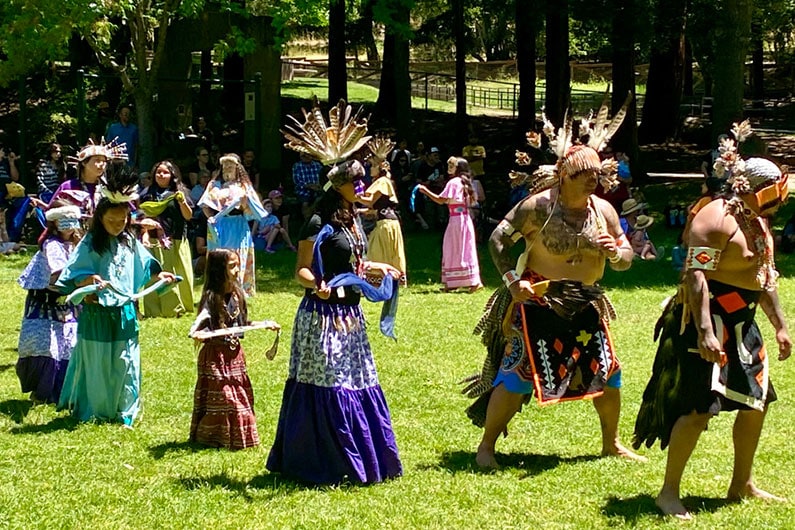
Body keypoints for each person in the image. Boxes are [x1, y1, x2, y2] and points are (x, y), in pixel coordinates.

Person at [463, 99, 643, 469]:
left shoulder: (604, 211)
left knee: (610, 373)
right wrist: (513, 282)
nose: (592, 180)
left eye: (595, 174)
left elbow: (626, 260)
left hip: (586, 303)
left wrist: (615, 253)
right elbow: (498, 239)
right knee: (516, 378)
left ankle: (611, 443)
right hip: (538, 301)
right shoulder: (538, 208)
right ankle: (486, 447)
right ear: (564, 174)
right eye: (583, 175)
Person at [633, 155, 791, 520]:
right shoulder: (715, 218)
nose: (780, 199)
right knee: (697, 408)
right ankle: (668, 493)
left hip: (742, 323)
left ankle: (742, 484)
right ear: (752, 188)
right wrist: (705, 330)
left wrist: (780, 324)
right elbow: (696, 275)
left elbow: (764, 276)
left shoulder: (757, 222)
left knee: (757, 402)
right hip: (704, 322)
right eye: (774, 191)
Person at [268, 100, 403, 485]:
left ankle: (360, 459)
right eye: (353, 182)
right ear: (336, 185)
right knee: (328, 382)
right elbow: (302, 271)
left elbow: (355, 266)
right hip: (321, 318)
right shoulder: (316, 221)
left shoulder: (353, 222)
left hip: (351, 318)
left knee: (356, 381)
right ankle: (322, 461)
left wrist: (382, 269)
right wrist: (319, 285)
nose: (360, 188)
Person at [56, 164, 176, 426]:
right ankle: (96, 409)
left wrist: (161, 277)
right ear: (100, 218)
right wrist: (88, 281)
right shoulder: (90, 243)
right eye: (111, 220)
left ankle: (124, 409)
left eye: (122, 220)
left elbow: (146, 266)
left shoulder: (130, 241)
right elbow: (73, 274)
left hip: (125, 312)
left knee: (125, 361)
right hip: (97, 313)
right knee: (98, 362)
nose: (116, 225)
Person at [188, 249, 260, 450]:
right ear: (220, 270)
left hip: (234, 355)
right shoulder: (211, 297)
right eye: (231, 266)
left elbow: (242, 323)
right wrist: (198, 332)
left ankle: (238, 439)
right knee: (225, 397)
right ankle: (213, 437)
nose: (237, 270)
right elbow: (200, 322)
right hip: (215, 356)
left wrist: (264, 324)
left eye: (237, 265)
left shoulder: (237, 295)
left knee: (238, 395)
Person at [16, 205, 82, 403]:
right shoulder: (52, 244)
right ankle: (42, 391)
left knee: (68, 345)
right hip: (45, 301)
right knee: (46, 346)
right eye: (66, 224)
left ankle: (62, 390)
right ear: (55, 224)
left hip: (67, 302)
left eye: (73, 223)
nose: (71, 229)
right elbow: (58, 271)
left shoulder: (75, 243)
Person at [198, 153, 267, 297]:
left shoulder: (244, 186)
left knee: (238, 254)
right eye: (224, 166)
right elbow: (205, 204)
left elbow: (254, 209)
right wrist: (210, 217)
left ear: (237, 167)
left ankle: (238, 289)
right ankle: (217, 287)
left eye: (230, 166)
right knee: (219, 255)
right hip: (219, 224)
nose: (227, 169)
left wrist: (244, 202)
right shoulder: (215, 185)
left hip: (238, 225)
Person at [137, 160, 195, 317]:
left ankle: (176, 309)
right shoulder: (147, 194)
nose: (161, 175)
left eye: (165, 172)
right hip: (154, 241)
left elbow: (188, 216)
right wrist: (145, 235)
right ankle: (153, 310)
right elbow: (140, 217)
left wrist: (182, 201)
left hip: (175, 239)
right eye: (158, 172)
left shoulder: (180, 192)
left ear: (172, 175)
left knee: (176, 272)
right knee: (155, 274)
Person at [418, 158, 482, 292]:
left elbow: (441, 200)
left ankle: (454, 282)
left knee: (452, 249)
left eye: (452, 165)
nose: (449, 167)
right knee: (466, 249)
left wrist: (425, 191)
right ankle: (469, 281)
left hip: (456, 221)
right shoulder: (466, 183)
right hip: (465, 219)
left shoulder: (453, 182)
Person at [357, 140, 407, 284]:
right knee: (383, 251)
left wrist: (355, 193)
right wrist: (360, 210)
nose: (370, 169)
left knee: (377, 251)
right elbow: (374, 208)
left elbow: (370, 201)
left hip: (386, 224)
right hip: (387, 222)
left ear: (379, 167)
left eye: (372, 166)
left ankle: (380, 280)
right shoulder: (381, 182)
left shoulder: (383, 181)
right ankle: (386, 280)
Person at [292, 152, 322, 220]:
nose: (306, 157)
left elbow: (323, 177)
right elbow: (297, 181)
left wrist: (318, 186)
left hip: (318, 189)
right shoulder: (297, 166)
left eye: (308, 155)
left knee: (322, 199)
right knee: (305, 203)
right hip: (303, 190)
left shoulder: (317, 165)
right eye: (303, 156)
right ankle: (307, 220)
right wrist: (309, 186)